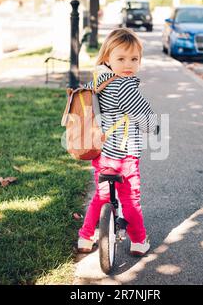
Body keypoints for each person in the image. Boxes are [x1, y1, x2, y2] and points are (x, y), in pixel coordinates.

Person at [77, 28, 158, 257]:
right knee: (130, 199)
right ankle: (139, 241)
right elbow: (143, 116)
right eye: (121, 59)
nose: (128, 65)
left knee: (101, 196)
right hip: (125, 156)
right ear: (107, 59)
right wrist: (154, 127)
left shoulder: (99, 80)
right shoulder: (125, 86)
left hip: (102, 155)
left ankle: (85, 237)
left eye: (134, 59)